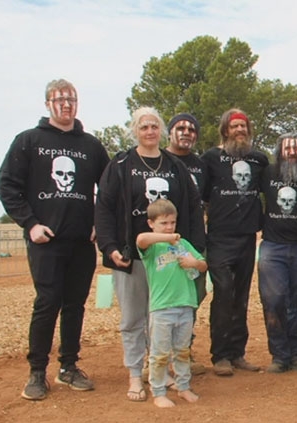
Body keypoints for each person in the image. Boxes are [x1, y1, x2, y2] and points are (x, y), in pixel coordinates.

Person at [0, 78, 109, 401]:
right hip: (46, 241)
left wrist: (98, 223)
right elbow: (7, 186)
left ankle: (69, 367)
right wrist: (30, 224)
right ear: (48, 104)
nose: (66, 104)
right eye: (59, 99)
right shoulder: (29, 141)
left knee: (75, 305)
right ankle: (37, 372)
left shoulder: (90, 145)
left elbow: (110, 188)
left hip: (81, 243)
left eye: (71, 98)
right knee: (47, 304)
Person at [96, 106, 205, 402]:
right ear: (135, 131)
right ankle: (135, 374)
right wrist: (109, 247)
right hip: (131, 255)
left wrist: (194, 249)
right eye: (143, 127)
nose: (149, 131)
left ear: (161, 131)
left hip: (168, 257)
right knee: (133, 318)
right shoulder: (120, 165)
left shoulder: (175, 167)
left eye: (154, 126)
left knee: (162, 317)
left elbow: (193, 208)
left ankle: (161, 371)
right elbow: (104, 208)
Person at [200, 108, 268, 376]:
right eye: (234, 127)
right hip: (219, 236)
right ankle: (220, 355)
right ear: (225, 130)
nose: (239, 131)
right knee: (224, 291)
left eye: (243, 126)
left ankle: (237, 353)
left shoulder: (258, 160)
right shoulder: (211, 159)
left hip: (247, 236)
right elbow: (202, 196)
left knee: (241, 296)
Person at [258, 134, 297, 373]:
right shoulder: (268, 173)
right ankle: (279, 354)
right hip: (273, 246)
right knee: (273, 300)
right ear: (279, 151)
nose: (292, 153)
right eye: (287, 149)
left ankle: (296, 352)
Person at [136, 199, 205, 408]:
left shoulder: (184, 244)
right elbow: (141, 239)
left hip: (185, 305)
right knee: (159, 354)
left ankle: (183, 387)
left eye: (172, 223)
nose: (169, 227)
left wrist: (194, 262)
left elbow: (202, 265)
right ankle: (158, 391)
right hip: (162, 309)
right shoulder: (152, 248)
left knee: (182, 351)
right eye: (163, 223)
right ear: (151, 223)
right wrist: (169, 237)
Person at [165, 112, 208, 375]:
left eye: (192, 129)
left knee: (192, 297)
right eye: (180, 127)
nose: (186, 132)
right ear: (170, 132)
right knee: (163, 299)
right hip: (163, 242)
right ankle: (158, 356)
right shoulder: (160, 160)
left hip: (193, 242)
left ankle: (184, 352)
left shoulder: (201, 166)